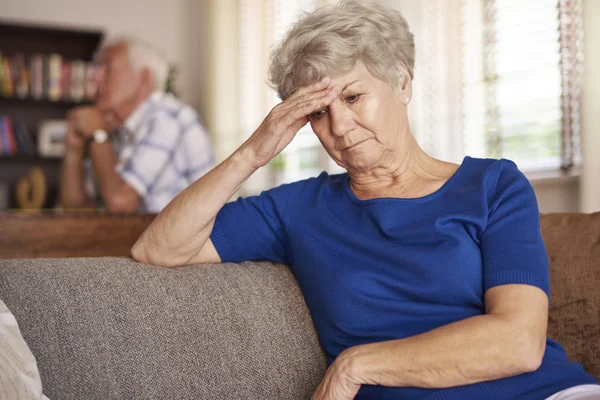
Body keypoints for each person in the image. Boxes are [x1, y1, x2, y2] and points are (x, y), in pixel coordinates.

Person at [132, 1, 600, 399]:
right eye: (317, 112)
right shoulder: (296, 209)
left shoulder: (493, 186)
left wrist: (356, 366)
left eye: (354, 97)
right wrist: (252, 153)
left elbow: (517, 342)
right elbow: (158, 249)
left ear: (402, 83)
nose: (338, 127)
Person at [60, 37, 214, 213]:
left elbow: (120, 203)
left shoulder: (169, 118)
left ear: (143, 78)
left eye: (107, 68)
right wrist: (73, 149)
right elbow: (76, 212)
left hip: (196, 240)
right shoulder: (118, 128)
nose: (95, 78)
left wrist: (98, 133)